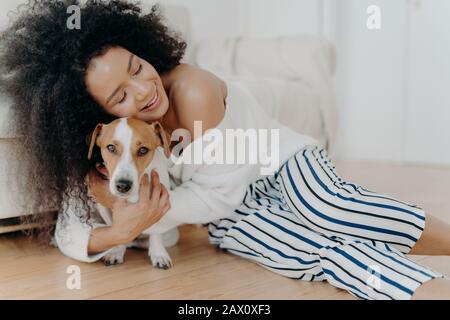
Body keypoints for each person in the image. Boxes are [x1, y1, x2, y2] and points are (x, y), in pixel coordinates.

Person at [1, 0, 449, 300]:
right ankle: (423, 288)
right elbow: (69, 231)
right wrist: (119, 231)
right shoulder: (108, 147)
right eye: (119, 97)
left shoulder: (191, 91)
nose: (143, 90)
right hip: (227, 214)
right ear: (95, 115)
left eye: (137, 68)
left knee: (329, 211)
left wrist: (143, 211)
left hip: (275, 163)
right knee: (308, 252)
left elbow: (219, 193)